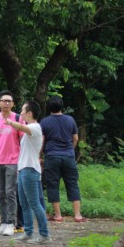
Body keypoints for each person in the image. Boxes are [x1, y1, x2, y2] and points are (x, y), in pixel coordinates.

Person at [7, 100, 51, 243]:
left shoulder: (36, 127)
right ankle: (29, 232)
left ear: (29, 113)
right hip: (24, 169)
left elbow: (20, 127)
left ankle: (44, 235)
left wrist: (10, 122)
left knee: (34, 203)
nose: (20, 113)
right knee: (24, 203)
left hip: (30, 170)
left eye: (22, 111)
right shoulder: (30, 129)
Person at [41, 95, 86, 223]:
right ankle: (77, 215)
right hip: (68, 156)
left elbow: (42, 141)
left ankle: (58, 215)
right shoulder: (70, 119)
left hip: (51, 156)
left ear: (49, 106)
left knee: (52, 184)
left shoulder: (44, 121)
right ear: (62, 106)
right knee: (72, 184)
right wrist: (71, 149)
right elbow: (76, 138)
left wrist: (40, 156)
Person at [0, 90, 24, 236]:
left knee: (10, 193)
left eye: (10, 101)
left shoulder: (18, 118)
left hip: (13, 161)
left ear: (13, 104)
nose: (7, 103)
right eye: (4, 100)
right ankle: (3, 222)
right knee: (0, 193)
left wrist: (21, 161)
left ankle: (11, 223)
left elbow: (22, 140)